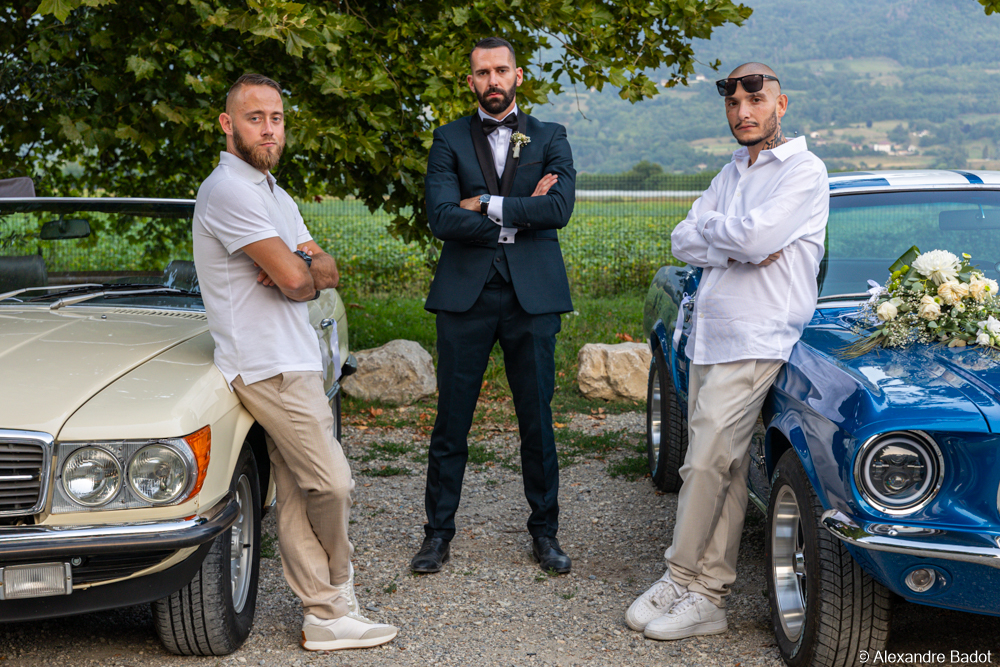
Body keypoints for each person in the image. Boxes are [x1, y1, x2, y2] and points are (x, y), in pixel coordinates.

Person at [193, 73, 397, 652]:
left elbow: (324, 272)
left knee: (298, 489)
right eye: (254, 117)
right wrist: (298, 269)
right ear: (228, 125)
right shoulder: (228, 190)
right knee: (332, 482)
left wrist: (302, 267)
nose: (269, 129)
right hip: (267, 366)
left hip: (295, 358)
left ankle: (324, 615)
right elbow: (296, 279)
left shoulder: (274, 194)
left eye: (277, 118)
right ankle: (339, 588)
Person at [626, 62, 829, 640]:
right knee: (729, 466)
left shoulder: (804, 170)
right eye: (734, 104)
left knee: (705, 461)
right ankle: (708, 597)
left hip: (758, 335)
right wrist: (734, 238)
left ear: (780, 105)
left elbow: (757, 237)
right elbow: (682, 239)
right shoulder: (731, 171)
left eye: (755, 101)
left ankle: (680, 576)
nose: (743, 113)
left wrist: (725, 234)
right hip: (712, 336)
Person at [412, 37, 577, 575]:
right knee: (451, 422)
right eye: (482, 73)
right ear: (471, 81)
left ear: (518, 76)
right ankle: (437, 534)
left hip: (534, 296)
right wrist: (521, 212)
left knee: (538, 421)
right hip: (466, 296)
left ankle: (545, 533)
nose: (493, 81)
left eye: (501, 70)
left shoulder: (551, 136)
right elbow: (441, 217)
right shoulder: (448, 138)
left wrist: (484, 202)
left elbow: (559, 209)